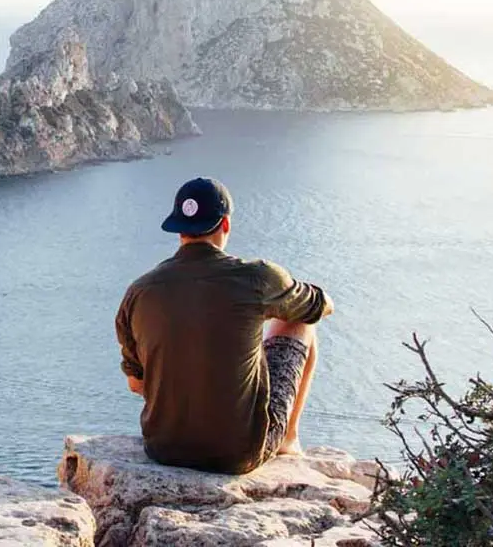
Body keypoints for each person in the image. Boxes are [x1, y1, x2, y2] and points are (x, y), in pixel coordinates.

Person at [115, 177, 333, 474]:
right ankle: (288, 439)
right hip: (236, 455)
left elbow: (136, 384)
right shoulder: (257, 278)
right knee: (301, 323)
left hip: (163, 448)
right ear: (225, 225)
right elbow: (319, 307)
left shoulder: (139, 291)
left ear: (179, 229)